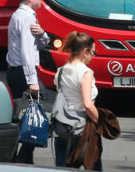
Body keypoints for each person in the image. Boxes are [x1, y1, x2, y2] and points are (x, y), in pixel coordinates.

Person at [6, 0, 52, 164]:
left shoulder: (24, 15)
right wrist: (32, 80)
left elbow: (41, 43)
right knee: (34, 119)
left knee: (25, 118)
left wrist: (42, 34)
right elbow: (26, 51)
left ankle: (19, 158)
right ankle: (21, 160)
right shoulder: (26, 17)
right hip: (22, 74)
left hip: (18, 72)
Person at [51, 31, 101, 170]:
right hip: (81, 130)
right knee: (94, 166)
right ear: (85, 51)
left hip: (61, 128)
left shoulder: (61, 71)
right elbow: (87, 104)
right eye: (93, 52)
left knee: (62, 168)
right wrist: (100, 121)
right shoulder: (85, 73)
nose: (93, 55)